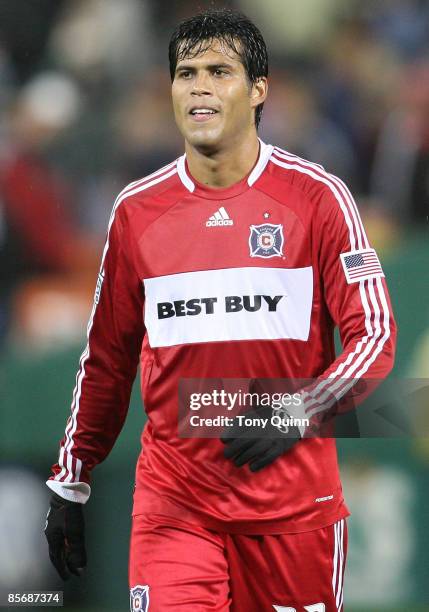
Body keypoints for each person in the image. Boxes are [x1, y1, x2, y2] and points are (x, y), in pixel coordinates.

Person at [44, 8, 396, 612]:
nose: (199, 86)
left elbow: (375, 338)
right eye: (185, 73)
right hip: (174, 506)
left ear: (259, 90)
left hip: (292, 513)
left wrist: (297, 410)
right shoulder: (137, 212)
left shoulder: (318, 198)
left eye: (219, 71)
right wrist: (71, 482)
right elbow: (106, 359)